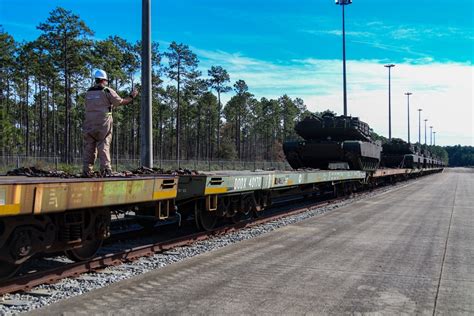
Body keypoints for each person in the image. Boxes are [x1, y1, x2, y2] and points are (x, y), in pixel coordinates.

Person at [82, 69, 138, 177]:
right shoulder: (107, 91)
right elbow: (120, 102)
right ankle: (106, 170)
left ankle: (87, 171)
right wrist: (131, 96)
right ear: (103, 80)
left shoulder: (88, 92)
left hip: (89, 124)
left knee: (89, 148)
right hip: (103, 124)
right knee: (103, 146)